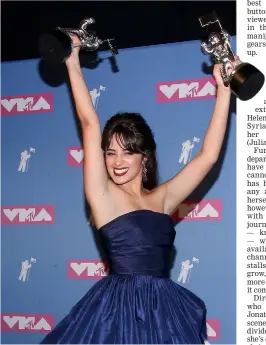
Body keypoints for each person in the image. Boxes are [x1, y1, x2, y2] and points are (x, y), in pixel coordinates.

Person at [40, 34, 233, 344]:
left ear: (144, 157)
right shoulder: (102, 196)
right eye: (110, 151)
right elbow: (90, 123)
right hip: (117, 315)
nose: (117, 161)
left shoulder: (163, 199)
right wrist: (72, 59)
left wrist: (224, 91)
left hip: (164, 311)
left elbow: (208, 157)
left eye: (127, 152)